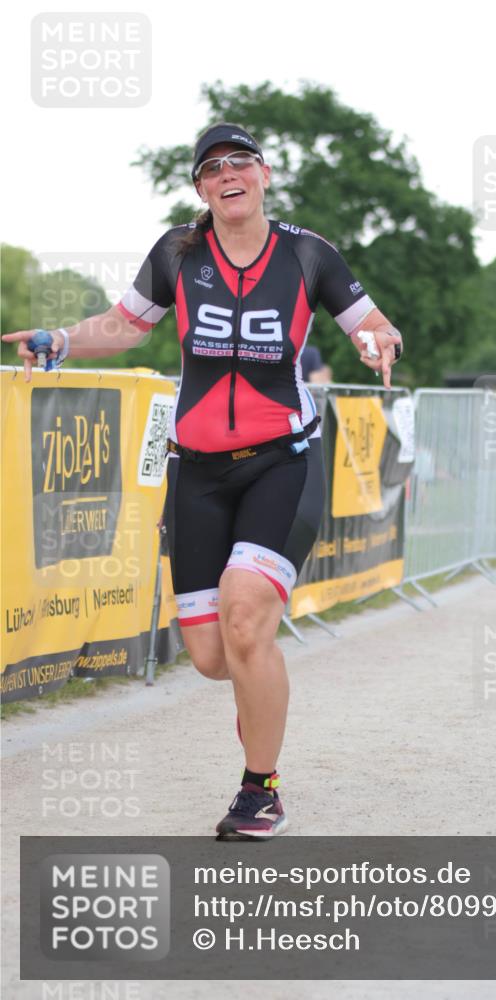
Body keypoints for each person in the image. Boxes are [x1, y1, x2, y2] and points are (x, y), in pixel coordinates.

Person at [2, 122, 403, 840]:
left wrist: (377, 338)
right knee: (215, 656)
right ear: (201, 189)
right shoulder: (178, 255)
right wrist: (61, 340)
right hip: (198, 470)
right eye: (212, 168)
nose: (228, 174)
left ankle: (261, 788)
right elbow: (124, 327)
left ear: (264, 174)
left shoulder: (307, 254)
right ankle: (257, 696)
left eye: (240, 162)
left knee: (246, 616)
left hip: (283, 458)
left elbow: (371, 321)